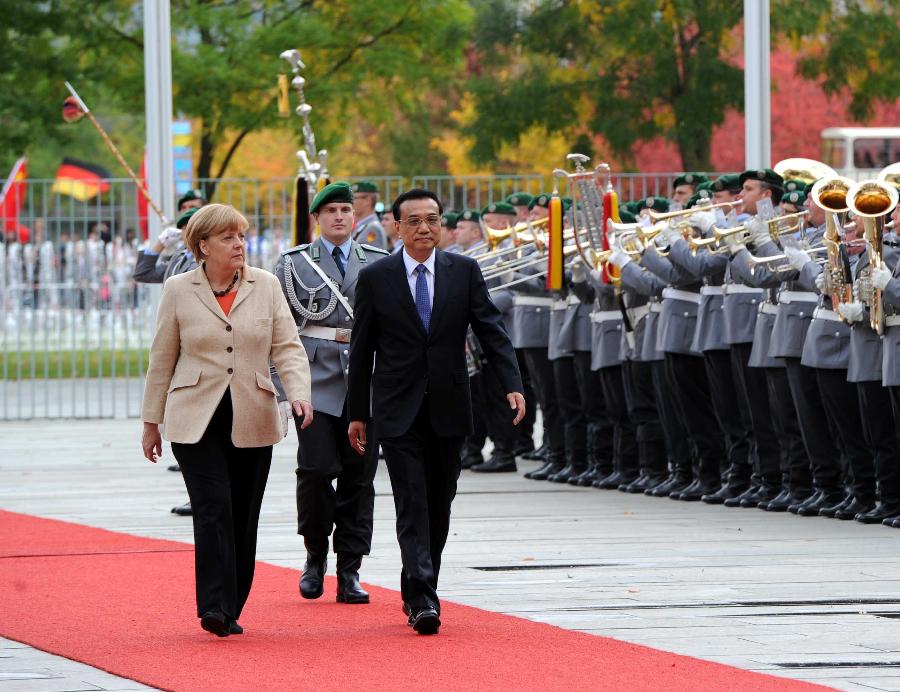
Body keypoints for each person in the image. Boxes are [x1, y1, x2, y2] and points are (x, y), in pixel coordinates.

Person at [346, 188, 525, 635]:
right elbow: (362, 347)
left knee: (439, 503)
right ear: (397, 226)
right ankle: (425, 598)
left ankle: (417, 585)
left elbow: (491, 329)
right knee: (411, 501)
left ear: (441, 225)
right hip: (397, 409)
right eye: (414, 221)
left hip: (448, 404)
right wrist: (357, 413)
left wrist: (512, 384)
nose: (425, 228)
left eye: (432, 220)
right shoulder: (377, 277)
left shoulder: (463, 271)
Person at [140, 203, 313, 637]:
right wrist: (150, 421)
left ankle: (232, 603)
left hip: (251, 414)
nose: (239, 244)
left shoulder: (267, 286)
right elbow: (162, 358)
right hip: (194, 416)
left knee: (242, 513)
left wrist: (300, 394)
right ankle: (214, 606)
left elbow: (288, 347)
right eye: (228, 238)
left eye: (241, 236)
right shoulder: (179, 289)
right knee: (212, 508)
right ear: (203, 246)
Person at [273, 182, 388, 605]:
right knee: (317, 470)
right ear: (317, 219)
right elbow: (278, 329)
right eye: (331, 210)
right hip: (315, 383)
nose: (340, 216)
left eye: (345, 209)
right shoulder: (293, 264)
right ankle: (314, 554)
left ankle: (350, 569)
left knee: (360, 479)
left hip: (366, 383)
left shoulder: (377, 261)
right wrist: (284, 389)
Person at [351, 181, 388, 249]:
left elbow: (369, 258)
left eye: (354, 198)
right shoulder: (364, 226)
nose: (350, 202)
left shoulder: (373, 228)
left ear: (367, 201)